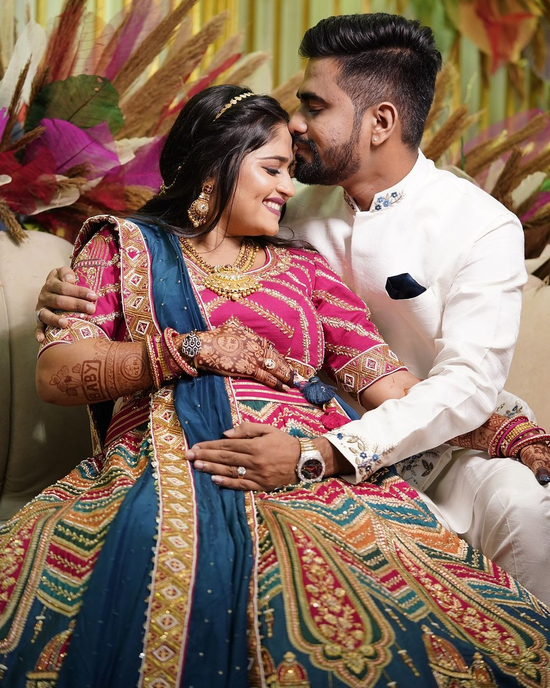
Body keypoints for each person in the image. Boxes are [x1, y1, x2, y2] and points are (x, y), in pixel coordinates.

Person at [2, 84, 550, 687]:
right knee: (143, 549)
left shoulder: (304, 266)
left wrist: (507, 432)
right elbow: (58, 373)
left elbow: (390, 388)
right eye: (273, 169)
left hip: (305, 474)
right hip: (158, 466)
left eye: (291, 170)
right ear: (214, 165)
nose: (290, 187)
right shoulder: (123, 246)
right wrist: (194, 348)